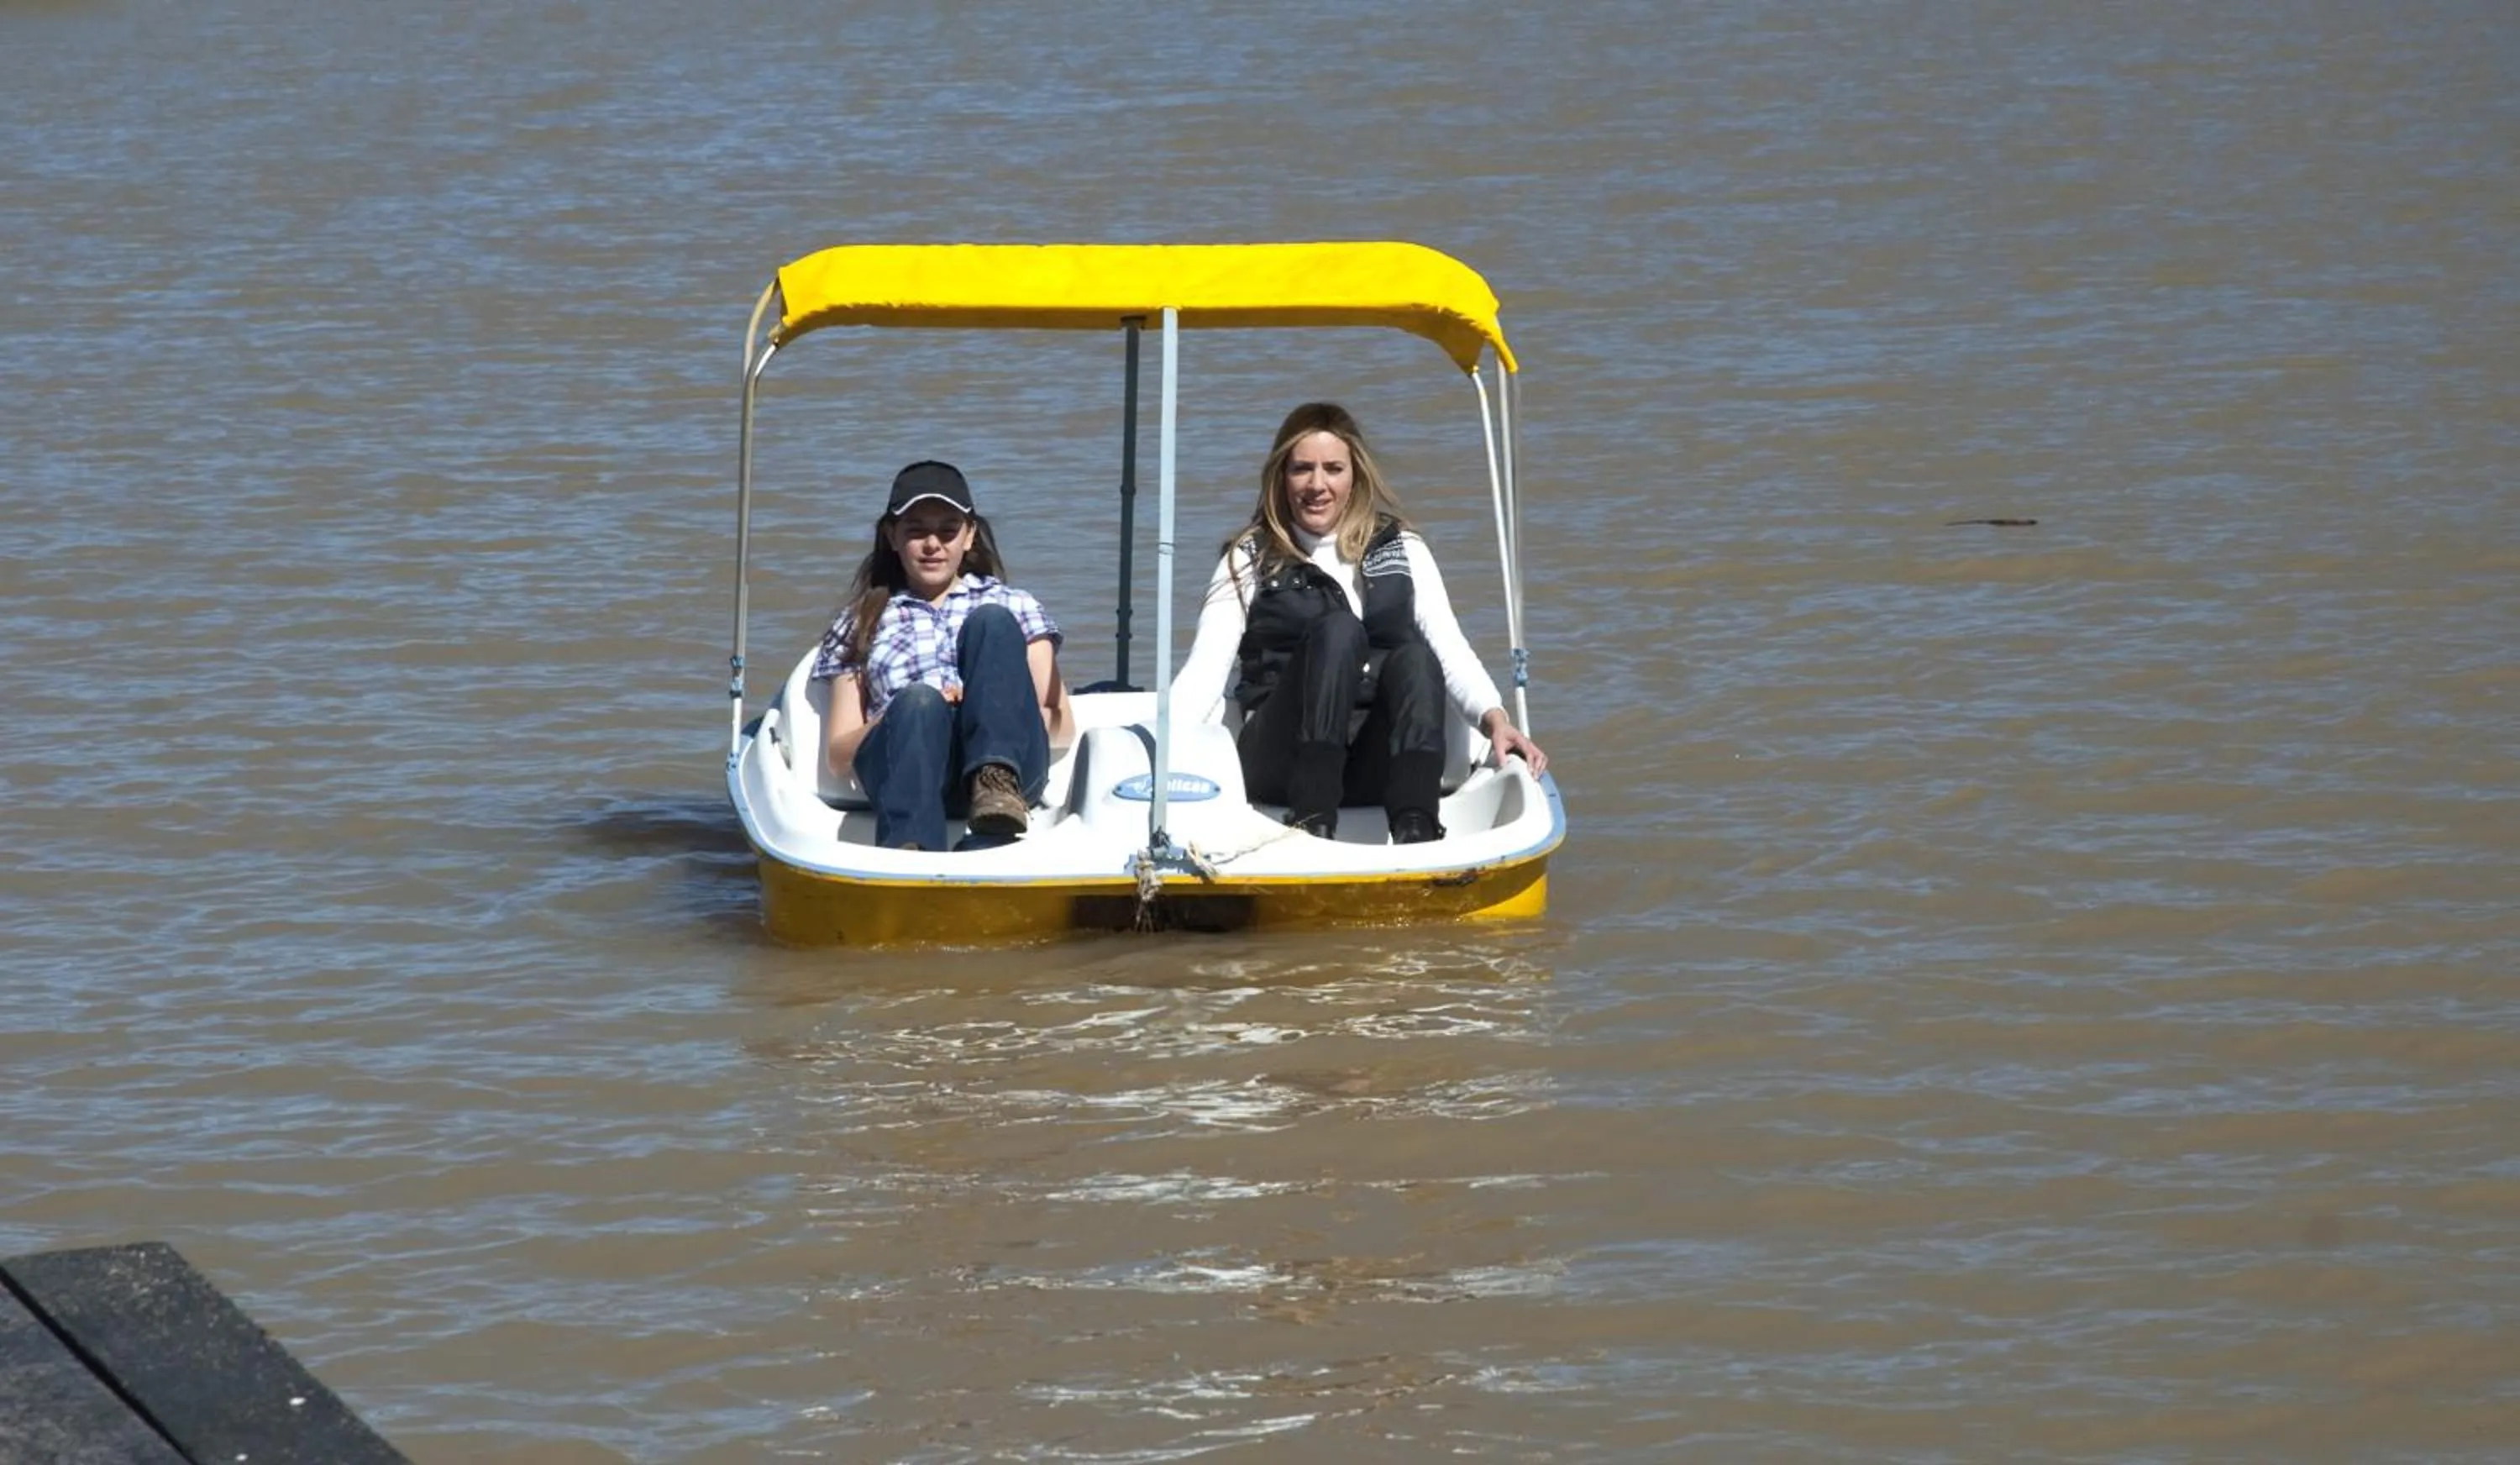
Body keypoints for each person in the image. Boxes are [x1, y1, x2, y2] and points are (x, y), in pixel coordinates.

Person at [1170, 402, 1547, 843]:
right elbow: (1204, 672)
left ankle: (1417, 829)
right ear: (1281, 477)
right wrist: (1160, 747)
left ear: (1355, 476)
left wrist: (1496, 720)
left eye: (1333, 469)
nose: (1317, 485)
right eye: (1302, 469)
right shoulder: (1249, 557)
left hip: (1372, 764)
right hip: (1281, 766)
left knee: (1415, 658)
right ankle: (1313, 824)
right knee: (1339, 630)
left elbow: (1450, 648)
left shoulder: (1402, 548)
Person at [813, 460, 1071, 852]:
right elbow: (839, 754)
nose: (932, 544)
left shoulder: (1016, 605)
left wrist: (985, 710)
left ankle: (994, 783)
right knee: (920, 701)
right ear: (892, 536)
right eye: (916, 531)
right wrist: (897, 715)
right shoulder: (860, 621)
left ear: (969, 536)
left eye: (948, 531)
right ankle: (911, 848)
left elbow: (1061, 724)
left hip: (1015, 774)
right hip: (908, 769)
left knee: (992, 622)